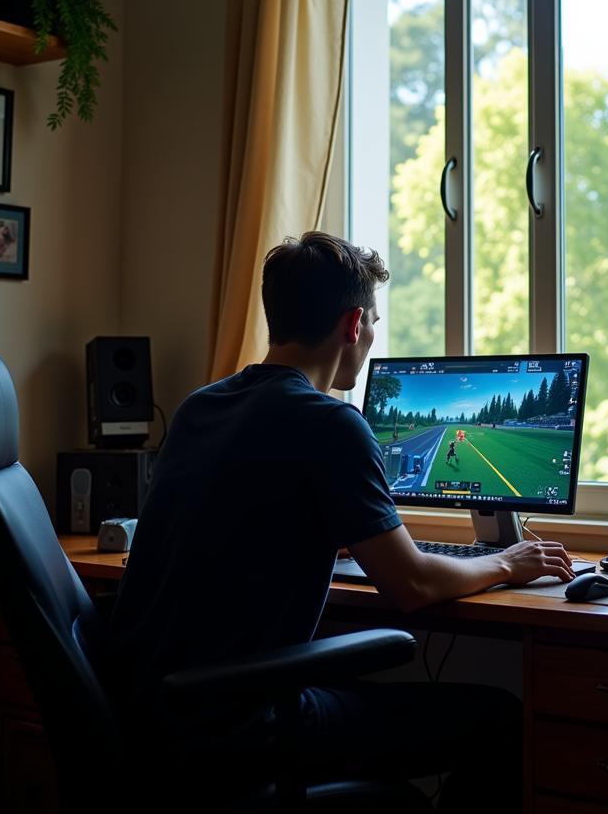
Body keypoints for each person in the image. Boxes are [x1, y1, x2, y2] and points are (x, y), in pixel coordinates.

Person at [109, 230, 573, 810]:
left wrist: (336, 536)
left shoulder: (199, 405)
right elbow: (413, 585)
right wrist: (507, 562)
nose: (372, 338)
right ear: (353, 325)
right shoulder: (331, 422)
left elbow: (243, 524)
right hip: (237, 726)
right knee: (502, 718)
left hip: (152, 710)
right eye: (373, 323)